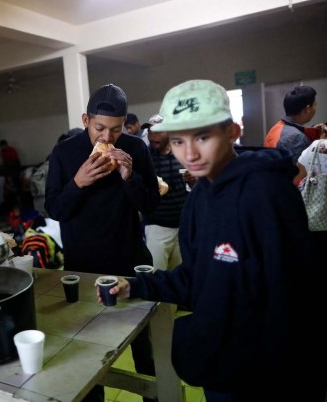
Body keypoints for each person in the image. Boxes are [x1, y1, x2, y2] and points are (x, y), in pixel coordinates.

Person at [101, 80, 325, 401]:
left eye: (203, 137)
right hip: (220, 362)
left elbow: (295, 299)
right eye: (178, 141)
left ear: (233, 131)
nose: (189, 154)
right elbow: (196, 276)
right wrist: (135, 286)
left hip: (266, 376)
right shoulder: (201, 194)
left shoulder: (268, 193)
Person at [45, 84, 160, 402]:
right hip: (84, 265)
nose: (107, 138)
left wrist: (129, 177)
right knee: (86, 349)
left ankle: (153, 394)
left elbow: (150, 203)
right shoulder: (65, 152)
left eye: (116, 129)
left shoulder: (136, 148)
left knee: (144, 346)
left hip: (129, 259)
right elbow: (54, 208)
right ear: (85, 119)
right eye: (99, 128)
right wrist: (78, 183)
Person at [140, 114, 195, 271]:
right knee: (156, 276)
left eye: (158, 131)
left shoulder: (183, 153)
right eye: (150, 131)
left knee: (179, 277)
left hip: (182, 227)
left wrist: (192, 181)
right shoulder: (145, 157)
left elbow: (196, 187)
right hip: (157, 227)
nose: (152, 136)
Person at [264, 85, 320, 162]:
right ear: (307, 109)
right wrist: (321, 146)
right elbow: (301, 171)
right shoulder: (295, 137)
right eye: (315, 105)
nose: (315, 109)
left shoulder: (278, 127)